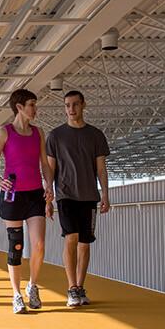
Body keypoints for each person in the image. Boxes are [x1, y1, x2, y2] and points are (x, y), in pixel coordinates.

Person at [0, 88, 54, 314]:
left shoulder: (38, 133)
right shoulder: (4, 132)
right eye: (32, 104)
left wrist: (49, 187)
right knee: (16, 246)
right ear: (19, 107)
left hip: (35, 194)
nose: (35, 109)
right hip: (13, 195)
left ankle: (32, 285)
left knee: (39, 245)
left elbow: (44, 164)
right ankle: (16, 295)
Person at [45, 90, 110, 307]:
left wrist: (105, 194)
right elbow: (50, 169)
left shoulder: (96, 135)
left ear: (83, 105)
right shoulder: (55, 136)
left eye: (74, 104)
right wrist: (48, 198)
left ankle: (81, 287)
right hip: (66, 195)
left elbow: (101, 168)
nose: (71, 109)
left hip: (89, 196)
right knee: (70, 238)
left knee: (85, 243)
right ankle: (71, 287)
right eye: (67, 105)